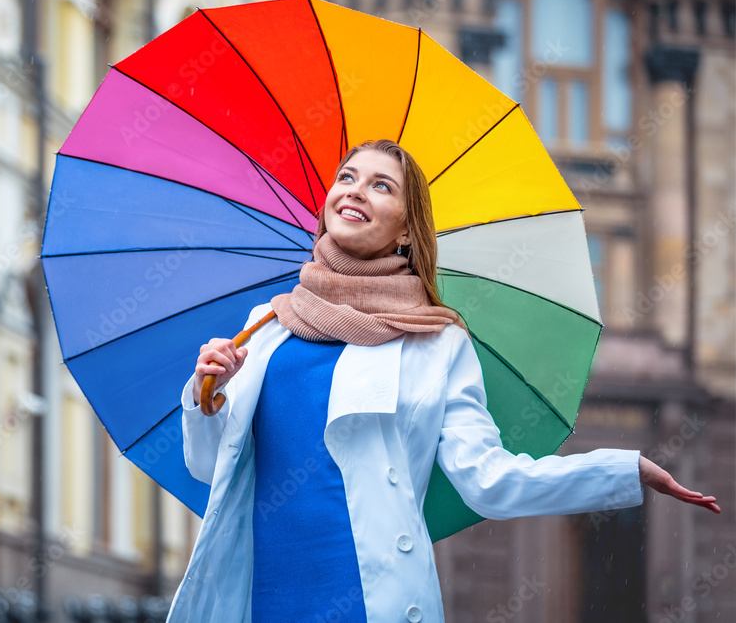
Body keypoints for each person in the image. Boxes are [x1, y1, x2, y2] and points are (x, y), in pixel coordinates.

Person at [165, 140, 720, 623]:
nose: (355, 191)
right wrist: (206, 396)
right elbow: (212, 468)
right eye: (346, 178)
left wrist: (622, 469)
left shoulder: (435, 342)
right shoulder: (266, 325)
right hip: (257, 596)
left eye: (381, 185)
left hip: (366, 598)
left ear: (407, 228)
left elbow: (489, 480)